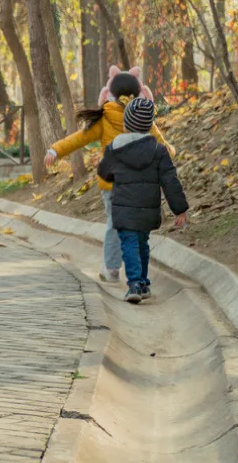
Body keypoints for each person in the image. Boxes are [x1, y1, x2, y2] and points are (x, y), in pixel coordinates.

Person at [43, 66, 173, 283]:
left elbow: (78, 138)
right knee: (136, 230)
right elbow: (163, 146)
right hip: (137, 184)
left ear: (109, 93)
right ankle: (135, 275)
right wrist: (171, 153)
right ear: (138, 92)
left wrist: (55, 149)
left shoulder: (104, 118)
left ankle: (112, 268)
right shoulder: (142, 117)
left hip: (110, 183)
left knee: (115, 222)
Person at [97, 98, 189, 303]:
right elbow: (170, 181)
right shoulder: (158, 150)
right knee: (142, 244)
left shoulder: (115, 148)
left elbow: (104, 173)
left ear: (126, 123)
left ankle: (135, 284)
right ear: (149, 125)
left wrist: (116, 177)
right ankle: (144, 283)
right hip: (148, 210)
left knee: (129, 244)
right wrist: (180, 209)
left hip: (123, 208)